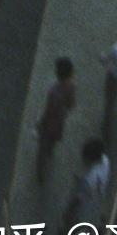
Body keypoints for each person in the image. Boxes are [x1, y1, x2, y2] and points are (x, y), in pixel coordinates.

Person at [35, 58, 77, 187]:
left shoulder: (53, 91)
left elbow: (48, 111)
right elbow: (72, 104)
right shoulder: (72, 86)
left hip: (49, 122)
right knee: (54, 139)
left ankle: (40, 171)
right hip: (60, 120)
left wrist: (40, 123)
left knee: (42, 146)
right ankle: (51, 151)